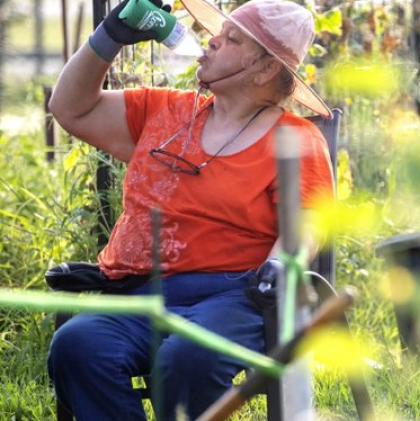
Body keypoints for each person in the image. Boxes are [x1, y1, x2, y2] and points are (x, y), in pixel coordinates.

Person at [46, 0, 334, 419]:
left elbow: (305, 225)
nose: (212, 41)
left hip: (233, 298)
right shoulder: (164, 112)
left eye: (232, 39)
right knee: (80, 345)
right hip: (143, 294)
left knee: (186, 357)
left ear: (265, 69)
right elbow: (68, 108)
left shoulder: (296, 139)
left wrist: (280, 265)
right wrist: (108, 38)